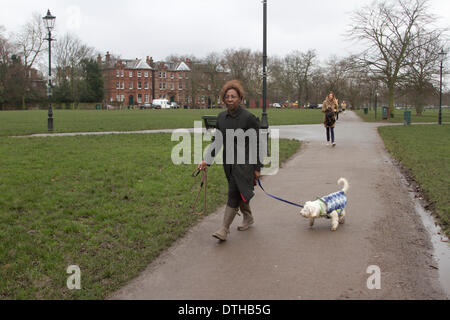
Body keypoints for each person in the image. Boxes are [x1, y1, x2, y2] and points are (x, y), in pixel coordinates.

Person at [198, 80, 262, 241]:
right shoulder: (221, 118)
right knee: (240, 190)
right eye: (227, 96)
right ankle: (248, 217)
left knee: (233, 192)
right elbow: (217, 142)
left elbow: (258, 143)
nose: (230, 99)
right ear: (224, 99)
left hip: (245, 163)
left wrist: (257, 167)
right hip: (229, 163)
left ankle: (223, 229)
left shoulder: (249, 118)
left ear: (240, 98)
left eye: (233, 96)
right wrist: (207, 160)